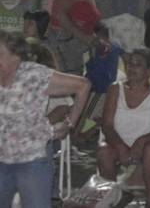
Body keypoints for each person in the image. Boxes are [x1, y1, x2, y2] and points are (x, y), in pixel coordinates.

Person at [0, 30, 91, 208]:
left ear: (15, 55)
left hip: (31, 159)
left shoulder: (34, 75)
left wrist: (69, 124)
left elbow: (83, 85)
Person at [97, 48, 150, 208]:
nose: (131, 68)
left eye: (138, 65)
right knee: (104, 151)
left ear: (149, 71)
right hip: (118, 141)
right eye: (130, 64)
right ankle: (113, 197)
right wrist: (120, 146)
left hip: (149, 143)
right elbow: (107, 126)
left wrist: (142, 141)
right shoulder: (115, 89)